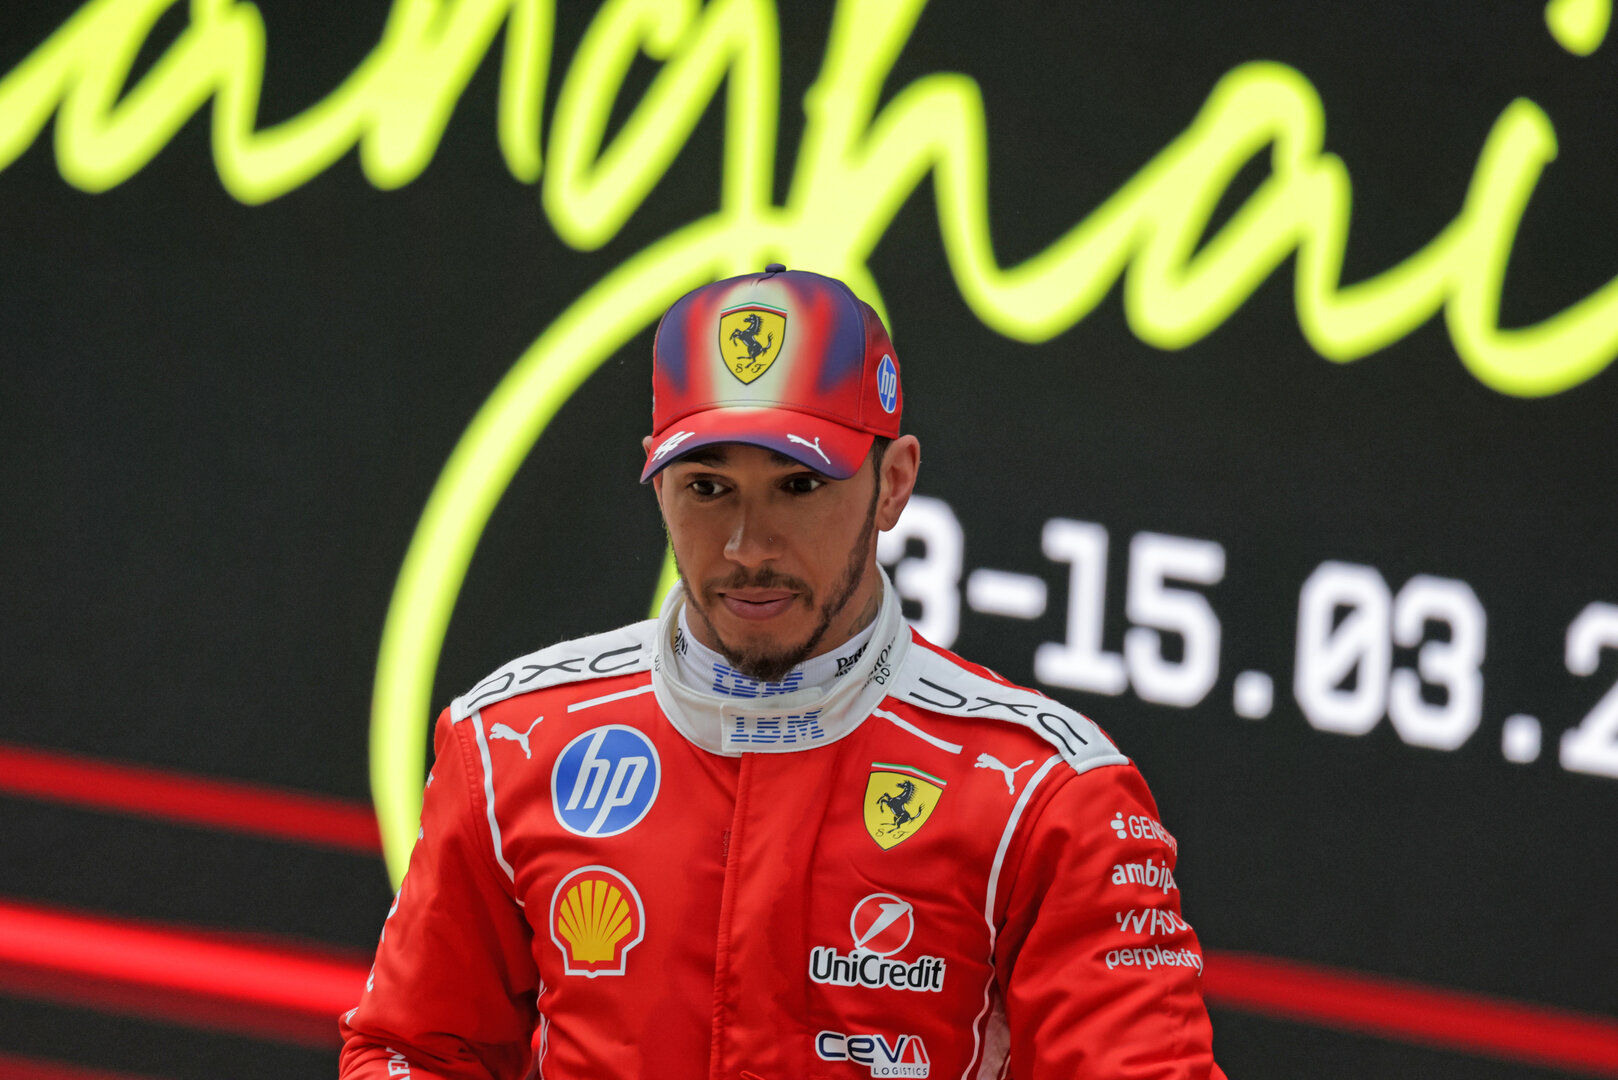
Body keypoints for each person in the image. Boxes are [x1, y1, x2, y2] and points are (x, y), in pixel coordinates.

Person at [339, 265, 1225, 1079]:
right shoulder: (510, 744)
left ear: (893, 482)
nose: (747, 545)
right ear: (657, 484)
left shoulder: (1048, 796)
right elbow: (412, 1051)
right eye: (707, 486)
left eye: (799, 486)